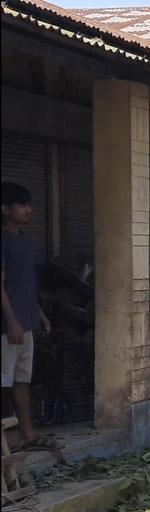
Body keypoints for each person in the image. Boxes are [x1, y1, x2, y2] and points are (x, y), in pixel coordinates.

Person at [1, 182, 58, 451]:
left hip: (25, 324)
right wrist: (11, 321)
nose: (29, 210)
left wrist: (39, 313)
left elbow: (24, 284)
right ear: (4, 209)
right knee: (3, 382)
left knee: (22, 381)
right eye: (22, 205)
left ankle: (27, 435)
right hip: (7, 328)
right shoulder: (2, 241)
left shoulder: (23, 241)